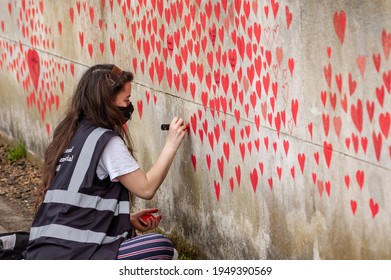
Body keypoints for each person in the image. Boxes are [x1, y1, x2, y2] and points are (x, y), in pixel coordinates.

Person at [23, 64, 187, 259]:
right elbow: (146, 188)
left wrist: (123, 219)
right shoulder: (106, 142)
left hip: (42, 253)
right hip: (73, 257)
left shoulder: (69, 133)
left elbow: (76, 207)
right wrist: (171, 144)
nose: (129, 106)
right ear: (107, 102)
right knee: (161, 247)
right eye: (126, 99)